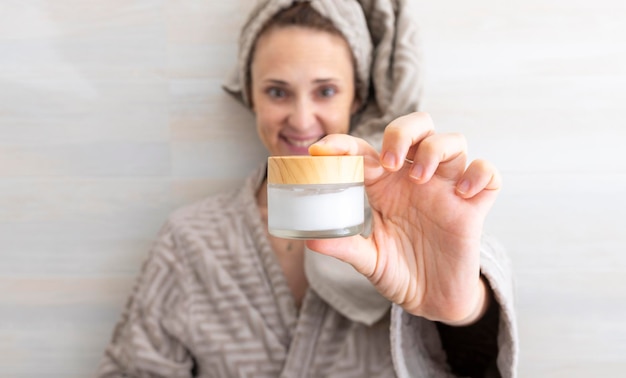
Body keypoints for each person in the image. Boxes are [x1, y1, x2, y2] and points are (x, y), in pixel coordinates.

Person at [96, 1, 517, 377]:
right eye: (277, 91)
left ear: (357, 96)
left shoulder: (412, 223)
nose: (300, 119)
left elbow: (476, 365)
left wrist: (463, 309)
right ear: (250, 96)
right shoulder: (191, 238)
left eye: (326, 91)